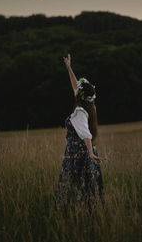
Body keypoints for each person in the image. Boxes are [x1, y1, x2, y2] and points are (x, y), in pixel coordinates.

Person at [54, 54, 105, 214]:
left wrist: (89, 152)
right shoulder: (91, 105)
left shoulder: (79, 112)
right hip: (86, 153)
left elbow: (86, 134)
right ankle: (87, 212)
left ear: (79, 96)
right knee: (89, 186)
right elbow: (76, 86)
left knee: (74, 186)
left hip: (78, 155)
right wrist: (69, 67)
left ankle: (69, 213)